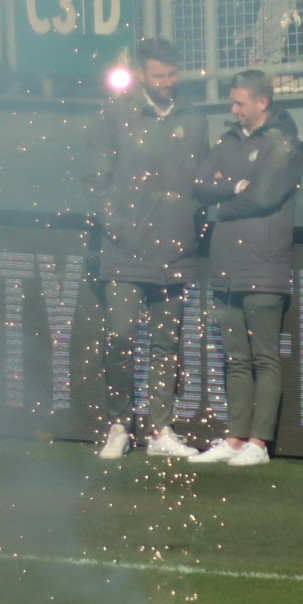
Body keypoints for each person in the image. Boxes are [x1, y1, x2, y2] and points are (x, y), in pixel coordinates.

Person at [85, 37, 206, 461]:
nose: (169, 82)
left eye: (173, 74)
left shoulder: (193, 118)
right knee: (119, 338)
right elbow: (95, 180)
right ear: (142, 75)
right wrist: (118, 228)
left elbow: (203, 180)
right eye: (160, 75)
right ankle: (119, 423)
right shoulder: (115, 115)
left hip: (176, 252)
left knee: (165, 345)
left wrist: (193, 228)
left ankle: (160, 430)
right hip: (125, 253)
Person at [192, 70, 302, 469]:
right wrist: (233, 186)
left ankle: (260, 441)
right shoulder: (226, 140)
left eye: (239, 102)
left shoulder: (283, 142)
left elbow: (264, 196)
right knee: (236, 358)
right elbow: (201, 181)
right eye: (232, 101)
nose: (233, 109)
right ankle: (236, 438)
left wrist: (223, 203)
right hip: (226, 267)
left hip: (265, 265)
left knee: (264, 358)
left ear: (262, 103)